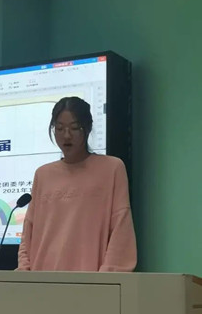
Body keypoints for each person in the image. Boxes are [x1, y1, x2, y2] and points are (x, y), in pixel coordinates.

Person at [17, 96, 137, 272]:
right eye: (59, 128)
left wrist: (107, 278)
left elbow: (121, 229)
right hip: (42, 280)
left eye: (74, 128)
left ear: (87, 128)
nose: (66, 135)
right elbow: (28, 232)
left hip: (90, 281)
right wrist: (24, 271)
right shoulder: (43, 175)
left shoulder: (112, 168)